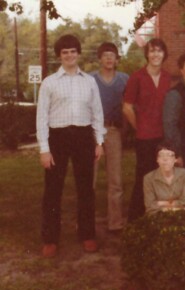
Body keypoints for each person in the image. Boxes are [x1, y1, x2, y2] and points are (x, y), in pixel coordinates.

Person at [36, 34, 105, 257]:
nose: (69, 55)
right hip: (58, 138)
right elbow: (41, 118)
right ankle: (50, 239)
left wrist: (99, 141)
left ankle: (87, 235)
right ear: (59, 56)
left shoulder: (89, 81)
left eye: (73, 51)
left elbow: (97, 113)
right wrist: (44, 149)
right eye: (65, 52)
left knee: (86, 189)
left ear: (78, 53)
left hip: (84, 137)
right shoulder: (49, 82)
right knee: (53, 190)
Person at [123, 38, 172, 222]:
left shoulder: (168, 77)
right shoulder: (137, 77)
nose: (155, 54)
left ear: (164, 54)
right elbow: (127, 107)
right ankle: (136, 222)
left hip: (164, 137)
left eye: (159, 51)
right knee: (144, 180)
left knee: (164, 178)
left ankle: (158, 220)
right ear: (147, 55)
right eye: (152, 51)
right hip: (144, 137)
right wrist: (139, 126)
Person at [91, 42, 129, 233]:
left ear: (116, 59)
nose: (108, 58)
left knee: (116, 180)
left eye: (112, 55)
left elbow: (129, 104)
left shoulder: (124, 79)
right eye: (105, 55)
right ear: (100, 58)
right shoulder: (91, 79)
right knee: (89, 178)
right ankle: (86, 222)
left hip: (113, 131)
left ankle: (115, 222)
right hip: (93, 132)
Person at [144, 144, 185, 215]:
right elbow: (149, 205)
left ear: (175, 159)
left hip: (179, 213)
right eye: (161, 155)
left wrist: (160, 203)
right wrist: (174, 204)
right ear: (157, 159)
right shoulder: (149, 178)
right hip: (156, 214)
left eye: (169, 155)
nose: (165, 159)